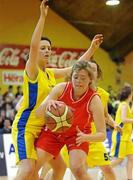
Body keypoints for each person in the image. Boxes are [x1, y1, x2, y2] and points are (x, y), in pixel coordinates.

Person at [11, 1, 103, 180]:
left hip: (46, 126)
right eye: (43, 48)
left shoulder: (51, 74)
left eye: (49, 49)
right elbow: (33, 46)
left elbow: (74, 69)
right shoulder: (32, 72)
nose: (46, 51)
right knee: (28, 169)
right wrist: (43, 17)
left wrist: (91, 49)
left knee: (60, 168)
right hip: (27, 126)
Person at [34, 61, 106, 180]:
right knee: (34, 166)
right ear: (71, 76)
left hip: (77, 135)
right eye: (75, 77)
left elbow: (102, 135)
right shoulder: (60, 89)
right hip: (54, 132)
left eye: (83, 78)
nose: (78, 81)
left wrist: (85, 137)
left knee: (77, 169)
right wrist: (48, 103)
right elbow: (38, 114)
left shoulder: (94, 100)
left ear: (90, 80)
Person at [110, 85, 133, 180]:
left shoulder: (126, 105)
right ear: (129, 95)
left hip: (127, 137)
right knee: (120, 159)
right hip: (121, 135)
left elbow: (129, 115)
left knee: (131, 158)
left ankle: (129, 178)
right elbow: (123, 119)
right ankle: (104, 171)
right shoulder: (123, 105)